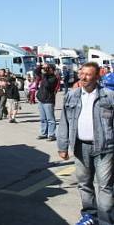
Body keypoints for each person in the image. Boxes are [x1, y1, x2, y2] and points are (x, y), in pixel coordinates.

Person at [57, 62, 114, 225]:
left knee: (105, 187)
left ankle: (105, 220)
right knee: (84, 184)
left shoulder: (108, 96)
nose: (83, 77)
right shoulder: (72, 95)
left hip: (105, 148)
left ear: (97, 77)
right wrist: (62, 145)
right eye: (81, 74)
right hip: (80, 146)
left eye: (88, 74)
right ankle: (90, 215)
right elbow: (64, 122)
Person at [35, 63, 59, 141]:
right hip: (41, 99)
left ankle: (51, 134)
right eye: (47, 68)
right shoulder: (44, 75)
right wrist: (41, 66)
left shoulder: (54, 78)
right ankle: (44, 133)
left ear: (52, 70)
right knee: (43, 118)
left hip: (48, 100)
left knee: (50, 119)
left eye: (49, 68)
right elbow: (36, 72)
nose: (47, 69)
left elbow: (47, 85)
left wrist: (45, 74)